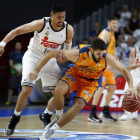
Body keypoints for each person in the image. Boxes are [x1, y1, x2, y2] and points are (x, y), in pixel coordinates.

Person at [29, 38, 136, 140]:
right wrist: (36, 70)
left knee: (79, 105)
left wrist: (130, 87)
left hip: (90, 82)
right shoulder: (78, 53)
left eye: (102, 53)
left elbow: (125, 71)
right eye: (98, 53)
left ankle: (52, 130)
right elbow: (50, 54)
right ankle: (58, 116)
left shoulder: (106, 57)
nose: (100, 56)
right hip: (75, 74)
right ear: (91, 50)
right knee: (58, 90)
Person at [0, 4, 74, 136]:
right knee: (27, 90)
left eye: (63, 17)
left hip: (50, 61)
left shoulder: (68, 29)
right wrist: (2, 44)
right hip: (33, 58)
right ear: (52, 15)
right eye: (58, 17)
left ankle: (46, 114)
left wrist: (64, 56)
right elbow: (17, 30)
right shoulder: (41, 24)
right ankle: (15, 118)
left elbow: (66, 53)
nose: (61, 20)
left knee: (60, 94)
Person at [88, 16, 118, 123]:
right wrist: (105, 61)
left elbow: (108, 50)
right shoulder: (105, 33)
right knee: (100, 88)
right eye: (113, 23)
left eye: (116, 23)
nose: (115, 25)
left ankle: (105, 111)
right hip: (101, 65)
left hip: (108, 66)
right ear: (108, 23)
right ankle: (92, 113)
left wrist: (112, 59)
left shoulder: (112, 34)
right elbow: (99, 48)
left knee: (112, 87)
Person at [119, 46, 140, 121]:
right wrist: (138, 65)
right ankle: (126, 114)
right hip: (133, 75)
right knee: (127, 93)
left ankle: (135, 113)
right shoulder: (134, 51)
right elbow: (130, 67)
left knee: (139, 88)